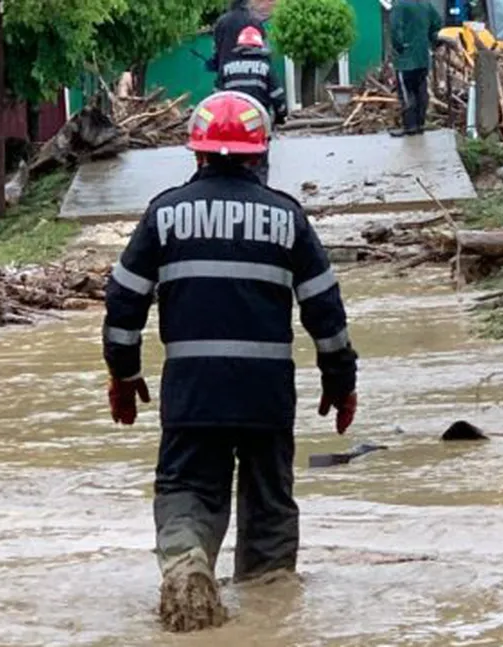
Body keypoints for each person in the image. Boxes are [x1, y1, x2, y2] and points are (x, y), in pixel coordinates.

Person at [101, 91, 359, 633]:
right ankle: (267, 620)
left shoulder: (164, 214)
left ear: (196, 153)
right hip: (266, 398)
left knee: (186, 490)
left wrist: (124, 374)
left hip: (193, 393)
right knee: (268, 509)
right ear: (259, 153)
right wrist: (340, 382)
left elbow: (124, 303)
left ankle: (188, 560)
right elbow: (326, 313)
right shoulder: (288, 218)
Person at [214, 26, 288, 184]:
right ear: (259, 46)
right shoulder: (265, 66)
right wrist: (281, 115)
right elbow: (277, 96)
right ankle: (259, 192)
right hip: (257, 123)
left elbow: (217, 97)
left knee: (228, 159)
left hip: (231, 124)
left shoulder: (226, 66)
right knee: (259, 161)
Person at [389, 0, 443, 137]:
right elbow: (437, 23)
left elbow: (395, 28)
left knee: (406, 92)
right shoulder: (426, 4)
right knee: (421, 89)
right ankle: (420, 124)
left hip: (406, 58)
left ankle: (410, 125)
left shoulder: (399, 5)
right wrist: (431, 40)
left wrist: (399, 47)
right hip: (423, 56)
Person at [206, 0, 265, 76]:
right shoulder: (255, 21)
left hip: (228, 74)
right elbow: (263, 51)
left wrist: (215, 63)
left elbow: (217, 48)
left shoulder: (222, 22)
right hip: (254, 75)